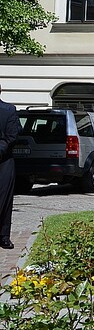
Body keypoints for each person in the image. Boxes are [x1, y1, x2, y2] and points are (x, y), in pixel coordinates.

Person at [0, 85, 21, 250]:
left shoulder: (8, 110)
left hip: (4, 161)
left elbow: (12, 135)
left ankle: (4, 235)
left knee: (5, 199)